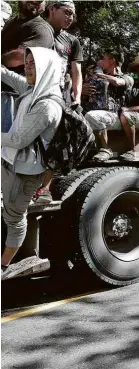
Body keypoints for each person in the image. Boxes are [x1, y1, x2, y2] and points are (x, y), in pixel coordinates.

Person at [1, 47, 63, 280]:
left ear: (47, 68)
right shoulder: (32, 90)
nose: (27, 67)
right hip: (10, 162)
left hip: (25, 171)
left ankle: (4, 265)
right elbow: (11, 77)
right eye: (26, 63)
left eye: (33, 64)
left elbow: (19, 140)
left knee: (14, 217)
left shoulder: (46, 104)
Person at [32, 0, 82, 204]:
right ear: (51, 8)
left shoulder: (72, 41)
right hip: (31, 94)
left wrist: (77, 98)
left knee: (55, 142)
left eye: (73, 14)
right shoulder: (35, 29)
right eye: (67, 12)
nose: (70, 17)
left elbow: (76, 72)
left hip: (59, 98)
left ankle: (44, 188)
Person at [87, 53, 139, 162]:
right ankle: (105, 149)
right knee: (91, 115)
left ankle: (133, 150)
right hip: (125, 117)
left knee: (126, 115)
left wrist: (129, 109)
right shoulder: (131, 82)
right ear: (137, 68)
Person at [2, 0, 54, 134]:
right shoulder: (12, 23)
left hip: (13, 99)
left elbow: (20, 57)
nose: (35, 1)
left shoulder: (41, 28)